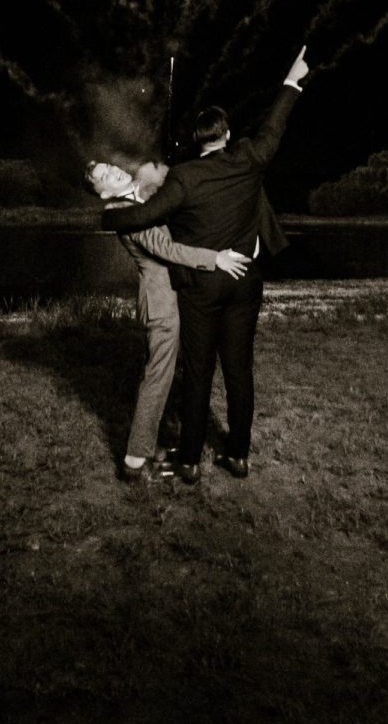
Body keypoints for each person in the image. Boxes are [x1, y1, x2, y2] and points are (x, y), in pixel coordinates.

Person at [101, 46, 309, 483]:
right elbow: (275, 125)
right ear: (228, 134)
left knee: (198, 371)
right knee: (239, 369)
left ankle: (190, 461)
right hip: (245, 279)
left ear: (198, 141)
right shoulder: (251, 156)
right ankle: (238, 456)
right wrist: (291, 82)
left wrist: (110, 217)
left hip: (201, 285)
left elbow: (144, 216)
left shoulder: (185, 177)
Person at [86, 158, 250, 484]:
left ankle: (147, 447)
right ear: (103, 192)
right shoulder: (125, 213)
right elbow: (165, 248)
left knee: (157, 375)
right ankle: (134, 461)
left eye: (110, 166)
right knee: (157, 379)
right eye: (104, 176)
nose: (114, 171)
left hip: (167, 300)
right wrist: (213, 258)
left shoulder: (139, 199)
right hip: (161, 305)